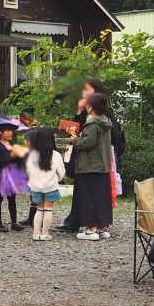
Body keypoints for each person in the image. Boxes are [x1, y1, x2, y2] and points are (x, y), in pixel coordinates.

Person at [58, 77, 126, 232]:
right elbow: (78, 126)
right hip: (90, 155)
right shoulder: (89, 111)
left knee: (93, 192)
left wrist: (77, 139)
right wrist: (78, 111)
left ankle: (93, 225)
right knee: (87, 190)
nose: (84, 93)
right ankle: (84, 222)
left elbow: (109, 135)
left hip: (97, 157)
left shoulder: (103, 112)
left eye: (87, 90)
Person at [68, 92, 113, 241]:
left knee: (89, 198)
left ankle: (91, 229)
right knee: (101, 198)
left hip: (90, 166)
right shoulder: (105, 121)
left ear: (92, 107)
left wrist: (75, 139)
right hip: (102, 166)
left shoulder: (92, 123)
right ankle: (102, 228)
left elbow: (88, 143)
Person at [0, 118, 29, 233]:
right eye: (7, 130)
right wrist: (11, 156)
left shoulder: (12, 144)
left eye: (11, 131)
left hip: (12, 175)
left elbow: (18, 159)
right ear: (0, 132)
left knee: (12, 198)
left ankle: (14, 222)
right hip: (1, 175)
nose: (10, 133)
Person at [24, 127, 65, 241]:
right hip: (50, 186)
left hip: (36, 187)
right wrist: (57, 179)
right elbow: (61, 172)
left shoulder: (32, 154)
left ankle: (36, 233)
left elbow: (28, 171)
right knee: (48, 210)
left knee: (39, 209)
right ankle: (45, 233)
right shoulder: (55, 155)